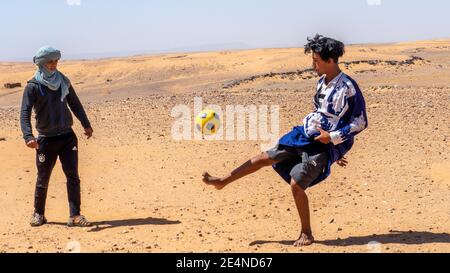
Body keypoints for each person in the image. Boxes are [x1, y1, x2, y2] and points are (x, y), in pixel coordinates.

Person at [202, 34, 368, 246]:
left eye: (316, 60)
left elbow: (360, 122)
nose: (312, 64)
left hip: (323, 144)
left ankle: (306, 233)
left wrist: (335, 142)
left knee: (296, 184)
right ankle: (222, 181)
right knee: (264, 157)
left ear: (330, 60)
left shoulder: (348, 87)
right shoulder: (321, 82)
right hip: (305, 134)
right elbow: (320, 112)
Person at [20, 46, 94, 227]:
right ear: (42, 63)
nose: (53, 65)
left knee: (73, 176)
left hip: (67, 137)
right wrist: (28, 136)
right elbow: (25, 112)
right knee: (43, 177)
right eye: (50, 61)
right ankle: (38, 214)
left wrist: (86, 124)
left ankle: (75, 216)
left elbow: (75, 104)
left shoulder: (63, 81)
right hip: (45, 139)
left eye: (55, 61)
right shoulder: (33, 86)